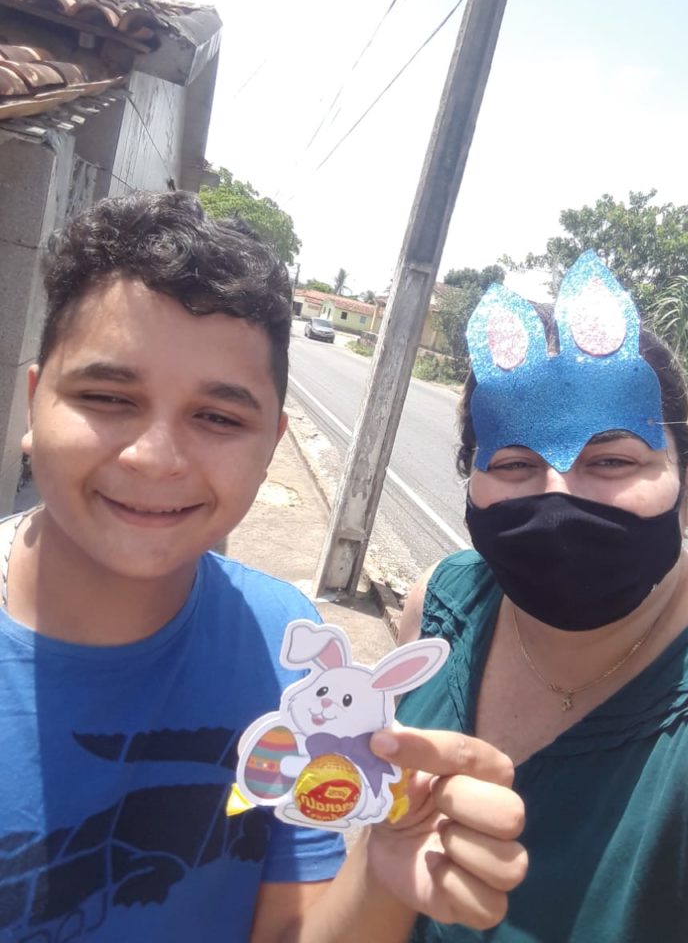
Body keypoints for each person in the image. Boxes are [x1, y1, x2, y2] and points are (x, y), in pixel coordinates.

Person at [0, 191, 527, 943]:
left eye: (218, 417)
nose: (155, 458)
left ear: (272, 444)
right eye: (107, 397)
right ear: (32, 406)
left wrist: (382, 873)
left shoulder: (290, 649)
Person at [397, 253, 688, 943]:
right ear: (471, 479)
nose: (557, 497)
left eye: (612, 460)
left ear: (686, 483)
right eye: (515, 463)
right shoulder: (439, 607)